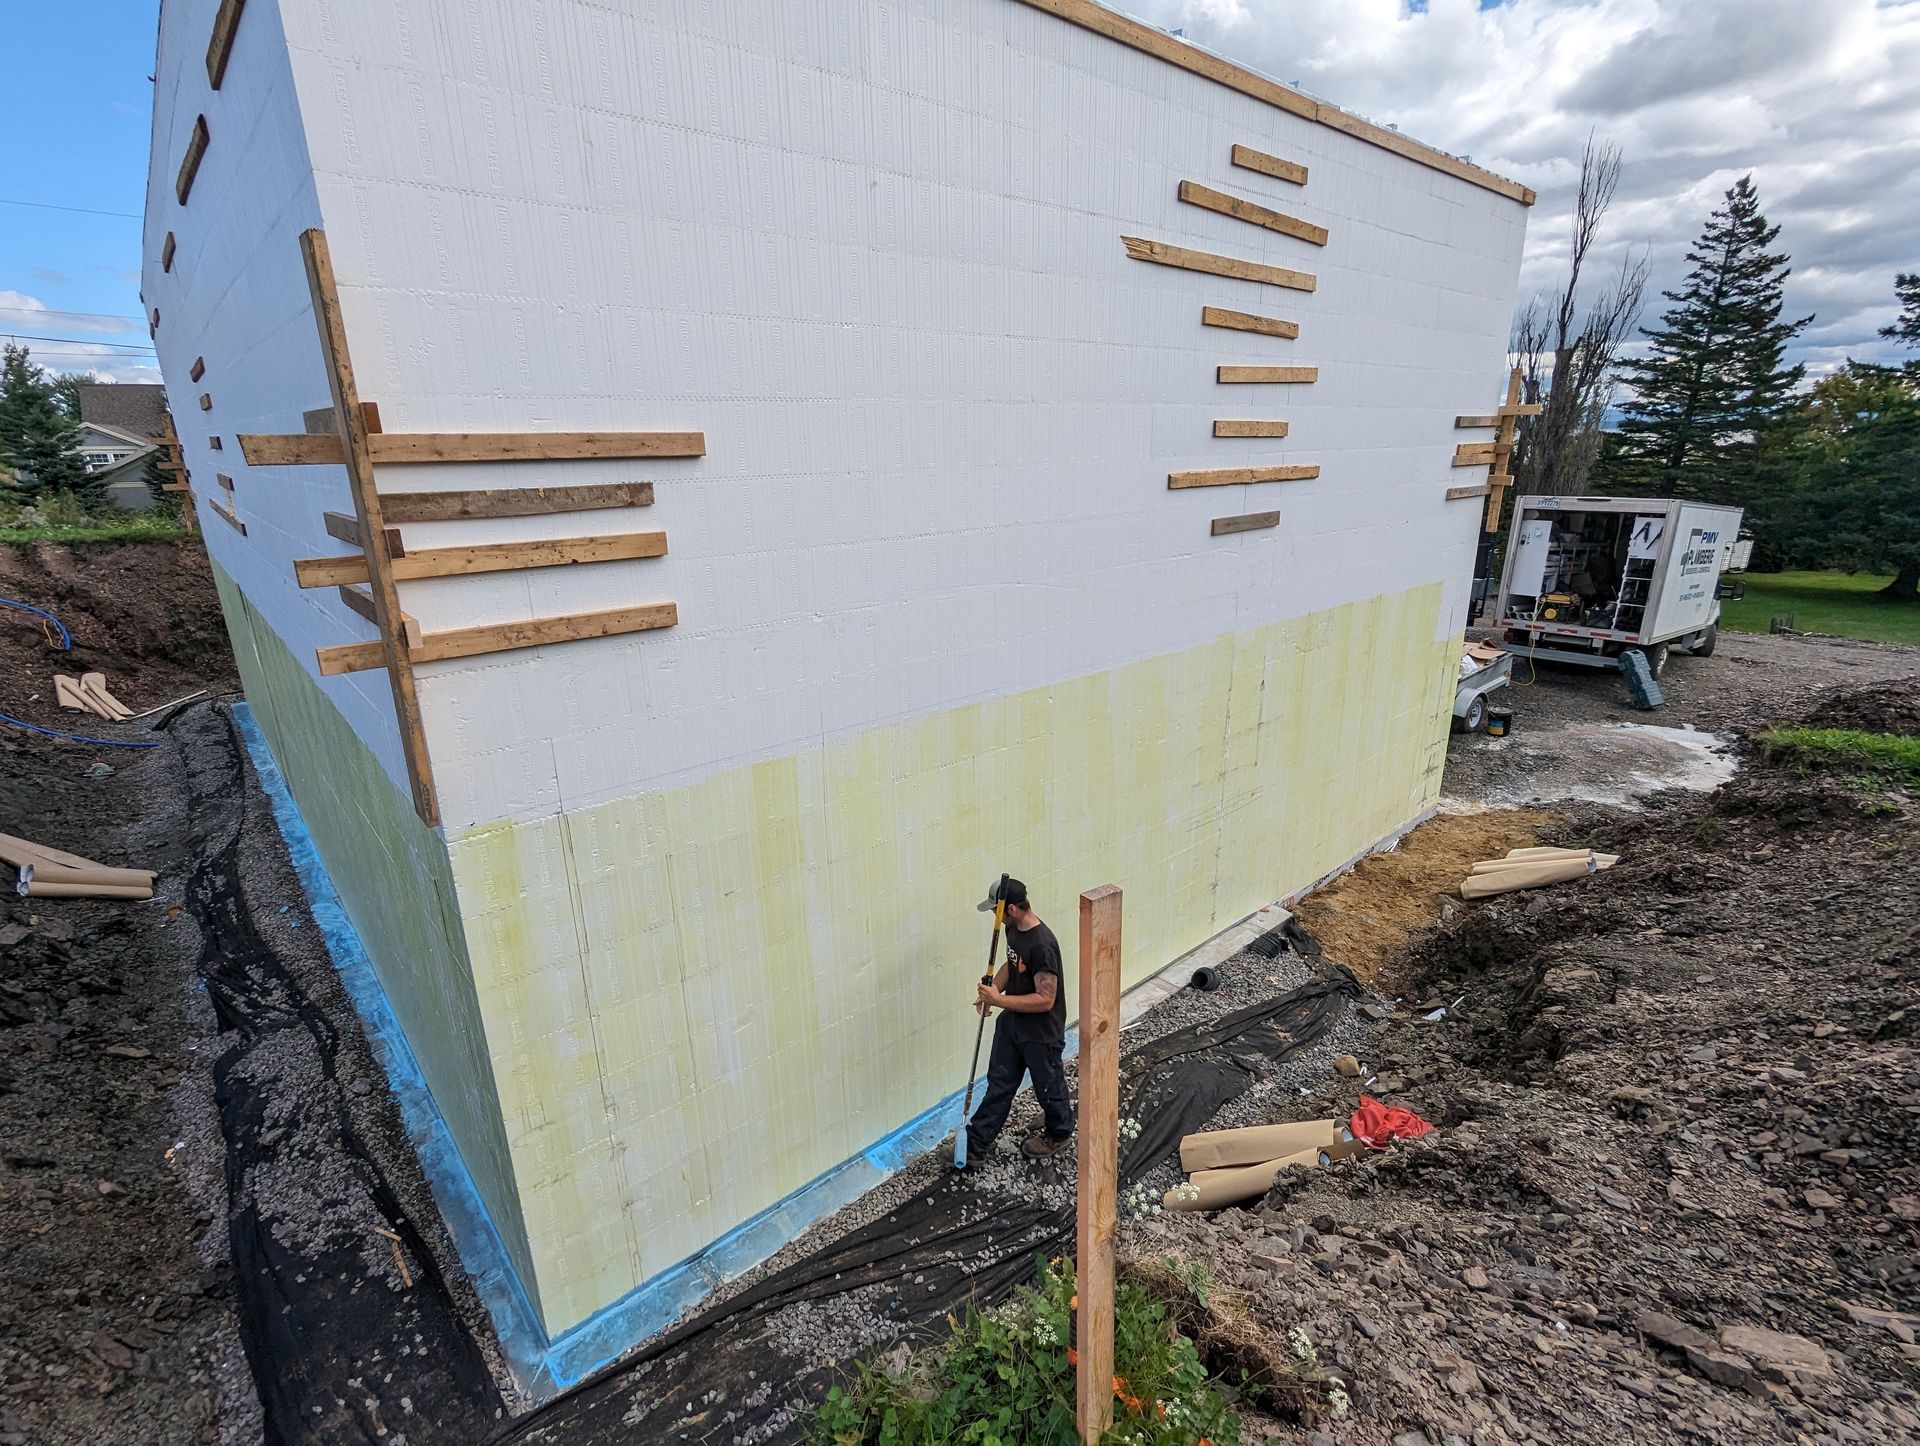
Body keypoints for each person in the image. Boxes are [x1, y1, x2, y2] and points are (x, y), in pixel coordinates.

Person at [959, 877, 1074, 1164]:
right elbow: (1011, 967)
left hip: (1041, 1033)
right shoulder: (1014, 932)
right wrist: (993, 991)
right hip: (1013, 1025)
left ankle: (1058, 1132)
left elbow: (1046, 999)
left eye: (994, 911)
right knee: (1000, 1084)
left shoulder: (1042, 944)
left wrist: (999, 1001)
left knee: (1048, 1086)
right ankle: (974, 1146)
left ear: (1010, 908)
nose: (993, 918)